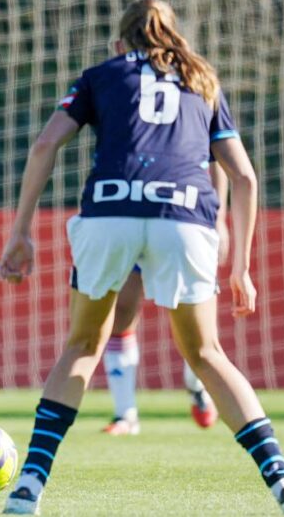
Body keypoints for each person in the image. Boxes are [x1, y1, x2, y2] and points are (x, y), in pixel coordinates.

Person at [0, 0, 284, 515]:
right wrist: (240, 264)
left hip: (110, 212)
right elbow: (243, 176)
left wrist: (20, 232)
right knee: (207, 355)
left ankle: (28, 487)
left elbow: (45, 146)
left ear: (120, 43)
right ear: (175, 38)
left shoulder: (101, 75)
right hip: (186, 216)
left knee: (83, 344)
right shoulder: (202, 80)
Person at [101, 164, 227, 436]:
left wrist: (219, 219)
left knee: (191, 319)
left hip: (183, 219)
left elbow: (224, 161)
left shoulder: (202, 119)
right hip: (131, 214)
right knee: (121, 310)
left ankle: (197, 386)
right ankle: (125, 414)